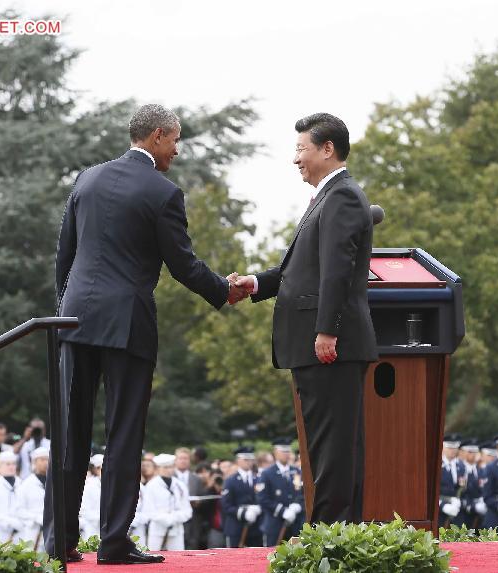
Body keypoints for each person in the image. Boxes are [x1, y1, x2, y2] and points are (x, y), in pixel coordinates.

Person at [46, 103, 246, 566]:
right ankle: (113, 543)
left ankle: (59, 541)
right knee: (122, 435)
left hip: (73, 322)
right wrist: (224, 290)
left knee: (69, 433)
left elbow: (65, 257)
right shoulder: (163, 192)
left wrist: (65, 313)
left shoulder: (87, 179)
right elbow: (182, 265)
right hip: (127, 324)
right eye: (175, 139)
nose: (178, 149)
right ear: (157, 136)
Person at [233, 113, 378, 526]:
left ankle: (328, 534)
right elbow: (297, 272)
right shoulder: (325, 199)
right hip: (319, 342)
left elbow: (336, 271)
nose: (295, 159)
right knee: (331, 442)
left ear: (327, 149)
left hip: (330, 344)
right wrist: (254, 284)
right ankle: (338, 530)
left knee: (333, 445)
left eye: (301, 149)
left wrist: (327, 331)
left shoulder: (343, 197)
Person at [135, 453, 193, 551]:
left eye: (171, 467)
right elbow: (148, 510)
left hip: (176, 528)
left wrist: (175, 517)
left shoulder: (180, 485)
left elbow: (187, 510)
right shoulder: (151, 485)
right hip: (157, 529)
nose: (168, 470)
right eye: (165, 467)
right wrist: (166, 519)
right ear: (158, 468)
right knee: (153, 557)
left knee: (178, 559)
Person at [256, 439, 305, 546]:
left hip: (295, 525)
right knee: (273, 556)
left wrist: (298, 505)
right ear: (275, 452)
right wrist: (282, 510)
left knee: (296, 554)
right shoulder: (267, 474)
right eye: (283, 451)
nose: (286, 454)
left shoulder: (297, 472)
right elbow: (262, 498)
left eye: (288, 451)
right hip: (275, 525)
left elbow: (303, 493)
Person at [221, 446, 262, 548]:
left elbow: (263, 498)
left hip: (255, 528)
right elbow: (226, 506)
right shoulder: (230, 481)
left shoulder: (258, 479)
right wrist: (243, 513)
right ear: (238, 461)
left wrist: (259, 508)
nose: (249, 462)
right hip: (236, 527)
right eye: (245, 459)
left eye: (251, 459)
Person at [173, 447, 205, 549]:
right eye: (180, 458)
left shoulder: (196, 479)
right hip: (174, 519)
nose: (183, 461)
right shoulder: (170, 478)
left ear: (190, 460)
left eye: (186, 458)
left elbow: (202, 496)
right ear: (175, 460)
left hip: (193, 520)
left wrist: (199, 503)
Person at [17, 446, 48, 548]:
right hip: (33, 532)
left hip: (51, 531)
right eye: (42, 460)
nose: (45, 463)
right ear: (34, 462)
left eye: (47, 459)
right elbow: (19, 510)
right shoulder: (26, 484)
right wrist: (35, 517)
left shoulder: (55, 483)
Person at [0, 451, 22, 542]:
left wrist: (19, 521)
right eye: (8, 464)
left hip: (20, 531)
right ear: (1, 466)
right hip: (0, 532)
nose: (11, 467)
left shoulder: (21, 483)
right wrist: (9, 522)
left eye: (13, 464)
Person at [439, 433, 466, 527]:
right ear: (443, 447)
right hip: (439, 513)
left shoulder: (461, 466)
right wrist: (442, 505)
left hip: (456, 511)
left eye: (455, 448)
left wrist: (459, 501)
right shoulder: (436, 465)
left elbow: (462, 487)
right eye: (449, 447)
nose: (452, 451)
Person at [79, 454, 103, 538]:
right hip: (91, 528)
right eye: (99, 468)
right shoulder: (88, 485)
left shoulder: (109, 485)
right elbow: (84, 510)